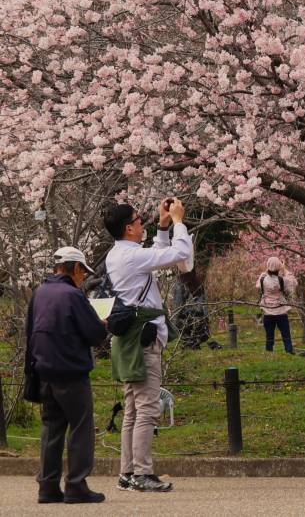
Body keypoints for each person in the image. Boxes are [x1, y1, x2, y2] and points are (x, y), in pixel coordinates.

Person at [105, 198, 192, 493]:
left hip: (128, 340)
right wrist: (179, 221)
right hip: (143, 340)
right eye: (139, 220)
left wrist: (163, 226)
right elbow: (178, 253)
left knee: (132, 410)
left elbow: (157, 255)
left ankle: (127, 473)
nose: (143, 223)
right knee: (147, 410)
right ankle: (143, 473)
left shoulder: (118, 254)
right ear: (129, 228)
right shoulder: (131, 257)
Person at [26, 247, 108, 504]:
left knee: (52, 428)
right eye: (83, 271)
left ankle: (47, 486)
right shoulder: (73, 295)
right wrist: (102, 323)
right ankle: (76, 485)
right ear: (75, 268)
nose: (83, 276)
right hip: (71, 372)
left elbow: (29, 331)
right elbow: (95, 334)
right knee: (81, 428)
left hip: (45, 370)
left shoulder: (39, 293)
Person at [257, 257, 297, 354]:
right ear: (279, 268)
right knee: (286, 334)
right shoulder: (282, 280)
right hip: (280, 311)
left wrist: (268, 270)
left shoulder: (262, 279)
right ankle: (289, 351)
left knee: (269, 335)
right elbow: (294, 283)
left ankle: (269, 352)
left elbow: (258, 285)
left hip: (267, 311)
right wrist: (284, 269)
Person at [172, 260, 210, 350]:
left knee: (181, 321)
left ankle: (189, 343)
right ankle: (194, 343)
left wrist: (175, 322)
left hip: (185, 321)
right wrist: (206, 320)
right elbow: (204, 305)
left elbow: (178, 307)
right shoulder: (197, 283)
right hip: (199, 321)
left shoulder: (180, 284)